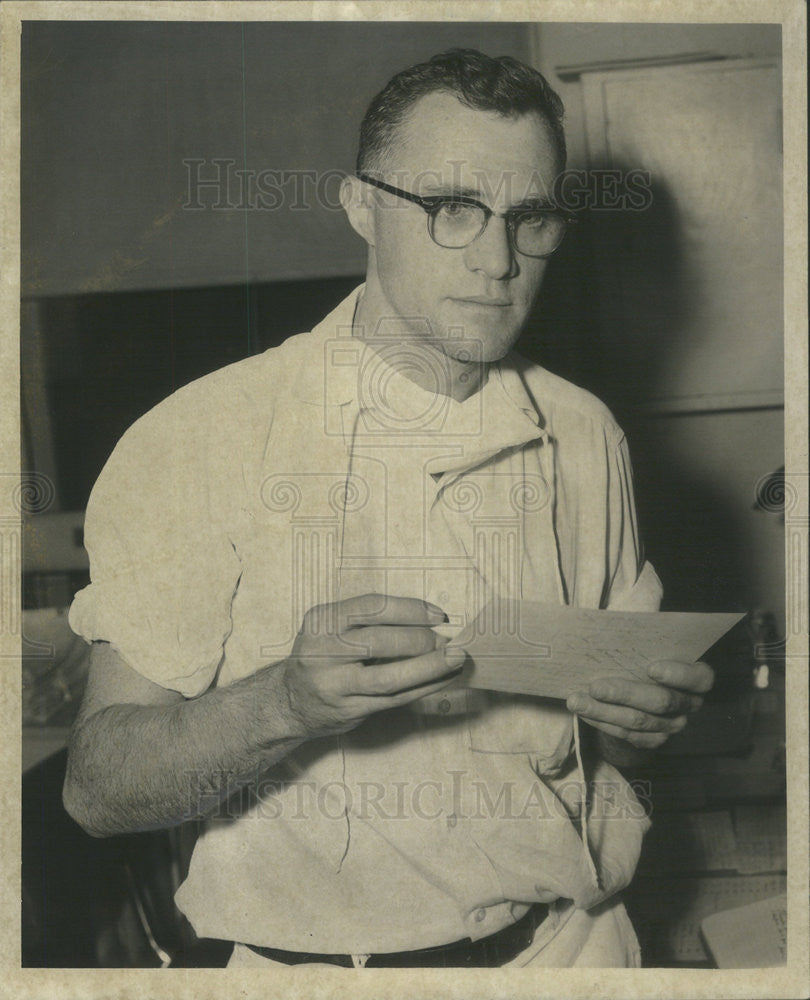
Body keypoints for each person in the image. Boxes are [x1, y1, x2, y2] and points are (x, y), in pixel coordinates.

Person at [63, 49, 714, 968]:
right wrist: (282, 703)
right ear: (362, 206)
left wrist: (641, 727)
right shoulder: (200, 437)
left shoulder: (585, 434)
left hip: (570, 955)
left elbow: (609, 756)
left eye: (528, 219)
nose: (497, 261)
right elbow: (96, 790)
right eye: (452, 209)